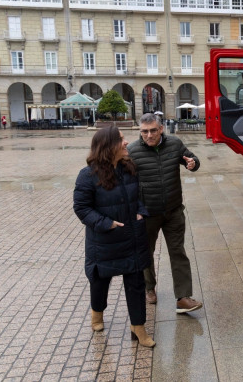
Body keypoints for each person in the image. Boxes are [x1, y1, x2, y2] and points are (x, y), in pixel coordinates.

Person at [73, 126, 155, 347]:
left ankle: (138, 327)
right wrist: (106, 224)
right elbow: (81, 208)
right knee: (100, 282)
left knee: (136, 283)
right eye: (121, 140)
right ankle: (97, 312)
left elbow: (139, 196)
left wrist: (141, 211)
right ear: (108, 147)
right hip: (104, 241)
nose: (126, 142)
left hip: (132, 237)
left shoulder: (129, 168)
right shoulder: (87, 175)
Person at [127, 113, 203, 313]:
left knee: (178, 252)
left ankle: (183, 297)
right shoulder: (132, 151)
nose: (149, 135)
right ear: (140, 131)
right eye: (144, 131)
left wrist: (193, 163)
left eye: (153, 130)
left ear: (161, 129)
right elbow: (124, 183)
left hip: (173, 211)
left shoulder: (175, 144)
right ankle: (149, 288)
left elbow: (192, 158)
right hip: (147, 214)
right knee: (147, 253)